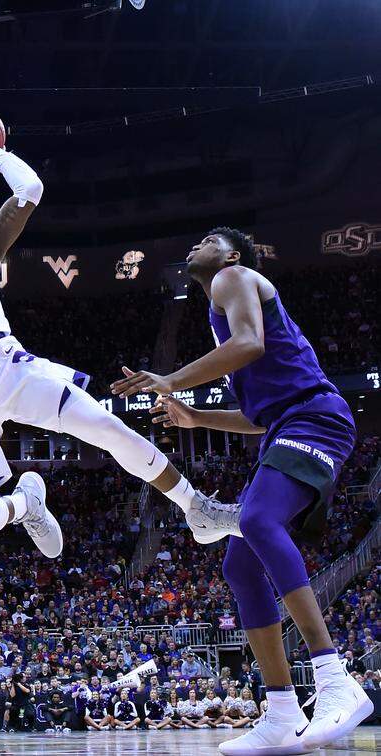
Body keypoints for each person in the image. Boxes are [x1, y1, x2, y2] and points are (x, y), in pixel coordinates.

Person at [130, 227, 374, 754]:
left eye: (209, 238)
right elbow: (259, 416)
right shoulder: (222, 309)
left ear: (232, 254)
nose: (196, 244)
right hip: (288, 424)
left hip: (316, 419)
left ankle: (335, 677)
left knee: (259, 521)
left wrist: (171, 381)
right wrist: (195, 418)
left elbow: (251, 345)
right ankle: (283, 711)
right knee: (239, 566)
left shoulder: (232, 278)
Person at [0, 145, 236, 555]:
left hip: (3, 363)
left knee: (105, 427)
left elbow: (30, 188)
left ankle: (196, 507)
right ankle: (25, 504)